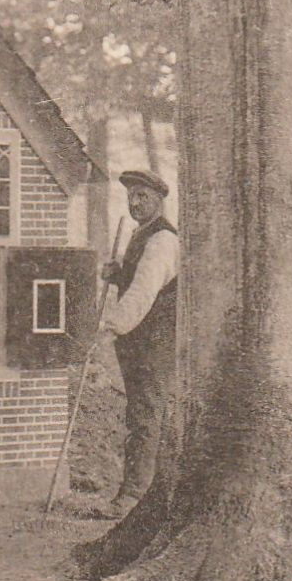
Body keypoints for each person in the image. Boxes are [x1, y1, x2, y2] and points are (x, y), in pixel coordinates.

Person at [95, 169, 179, 520]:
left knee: (147, 413)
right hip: (138, 341)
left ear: (159, 200)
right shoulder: (140, 235)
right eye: (131, 196)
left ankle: (135, 495)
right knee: (139, 412)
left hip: (154, 340)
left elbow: (145, 291)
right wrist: (117, 273)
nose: (135, 202)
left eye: (143, 196)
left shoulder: (161, 240)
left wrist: (112, 326)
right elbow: (134, 281)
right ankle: (138, 492)